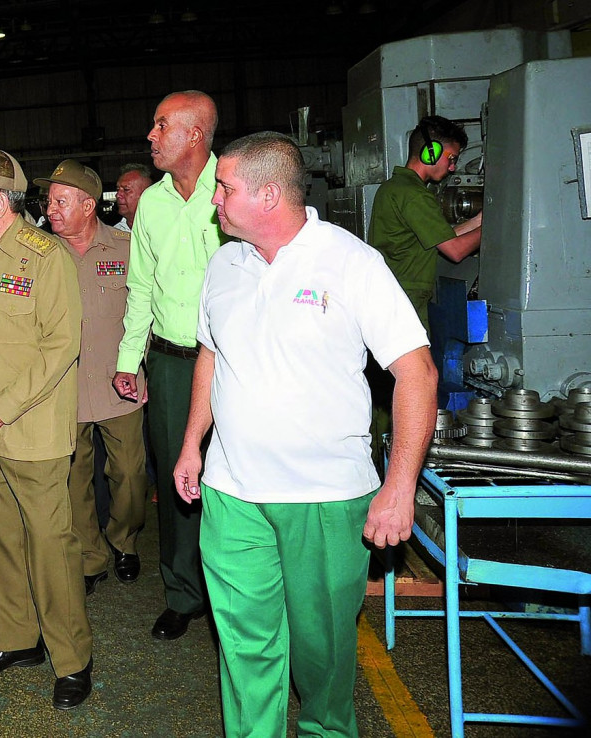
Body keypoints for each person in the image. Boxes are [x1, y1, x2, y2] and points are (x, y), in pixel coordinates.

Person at [173, 132, 437, 737]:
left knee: (322, 654)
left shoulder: (349, 262)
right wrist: (193, 444)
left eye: (226, 188)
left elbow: (415, 371)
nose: (215, 199)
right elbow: (210, 357)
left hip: (324, 497)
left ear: (268, 195)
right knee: (245, 646)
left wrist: (399, 488)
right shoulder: (224, 264)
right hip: (233, 492)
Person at [0, 147, 94, 711]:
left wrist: (2, 406)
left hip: (31, 430)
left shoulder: (44, 257)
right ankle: (16, 639)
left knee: (50, 546)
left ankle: (72, 657)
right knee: (0, 539)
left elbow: (62, 346)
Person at [112, 90, 224, 641]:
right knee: (178, 482)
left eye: (161, 126)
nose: (151, 136)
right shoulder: (152, 204)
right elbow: (139, 289)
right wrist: (129, 362)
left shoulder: (232, 188)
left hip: (232, 364)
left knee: (236, 480)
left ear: (194, 136)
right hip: (171, 362)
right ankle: (182, 592)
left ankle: (234, 591)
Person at [35, 159, 148, 593]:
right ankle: (90, 555)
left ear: (88, 205)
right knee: (72, 479)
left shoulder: (127, 248)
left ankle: (124, 540)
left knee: (131, 475)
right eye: (49, 201)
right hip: (61, 387)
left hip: (117, 383)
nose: (52, 208)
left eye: (60, 200)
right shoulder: (41, 253)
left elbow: (146, 314)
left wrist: (141, 368)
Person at [369, 114, 483, 327]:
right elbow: (455, 250)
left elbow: (442, 238)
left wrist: (479, 220)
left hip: (393, 295)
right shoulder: (414, 195)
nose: (452, 167)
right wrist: (496, 227)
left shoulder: (394, 188)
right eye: (451, 158)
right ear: (431, 153)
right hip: (406, 301)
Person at [113, 163, 153, 232]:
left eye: (126, 189)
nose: (118, 195)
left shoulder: (164, 228)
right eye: (117, 189)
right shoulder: (116, 232)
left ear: (145, 194)